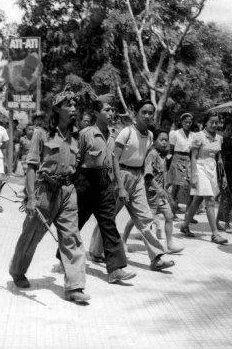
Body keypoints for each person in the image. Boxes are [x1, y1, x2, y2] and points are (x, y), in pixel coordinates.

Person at [9, 97, 90, 303]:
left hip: (67, 191)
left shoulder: (76, 136)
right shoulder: (41, 133)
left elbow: (79, 165)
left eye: (74, 105)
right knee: (31, 235)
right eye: (68, 105)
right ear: (56, 109)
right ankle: (17, 271)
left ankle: (75, 286)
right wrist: (30, 198)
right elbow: (32, 166)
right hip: (44, 190)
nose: (73, 108)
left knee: (72, 237)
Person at [88, 100, 175, 271]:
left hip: (138, 178)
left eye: (150, 113)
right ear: (136, 113)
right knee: (108, 216)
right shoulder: (126, 132)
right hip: (121, 175)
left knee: (145, 217)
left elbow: (145, 158)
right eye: (144, 112)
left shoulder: (150, 135)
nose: (147, 116)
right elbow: (114, 157)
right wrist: (120, 186)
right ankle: (96, 251)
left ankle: (156, 257)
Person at [73, 100, 136, 283]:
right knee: (76, 223)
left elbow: (114, 160)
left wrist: (120, 186)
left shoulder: (113, 135)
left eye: (112, 110)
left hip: (105, 183)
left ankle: (115, 270)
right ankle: (64, 257)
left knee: (109, 225)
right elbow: (76, 161)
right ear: (97, 112)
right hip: (85, 182)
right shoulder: (85, 134)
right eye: (106, 109)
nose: (111, 113)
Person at [122, 129, 184, 253]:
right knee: (138, 219)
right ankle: (123, 240)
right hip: (150, 194)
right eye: (161, 140)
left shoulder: (163, 156)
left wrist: (165, 190)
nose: (164, 142)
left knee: (169, 216)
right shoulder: (152, 155)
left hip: (160, 194)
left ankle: (170, 243)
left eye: (166, 140)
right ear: (154, 141)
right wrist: (159, 189)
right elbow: (148, 176)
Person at [179, 112, 228, 245]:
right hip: (200, 167)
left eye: (216, 122)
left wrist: (222, 176)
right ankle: (215, 234)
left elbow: (219, 157)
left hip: (212, 169)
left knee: (198, 199)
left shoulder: (219, 138)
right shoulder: (198, 136)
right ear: (205, 122)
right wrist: (194, 175)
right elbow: (193, 156)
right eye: (211, 122)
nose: (214, 124)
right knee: (210, 200)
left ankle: (184, 225)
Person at [216, 116, 232, 233]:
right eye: (228, 130)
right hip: (222, 173)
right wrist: (223, 176)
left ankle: (217, 221)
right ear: (223, 130)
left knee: (225, 198)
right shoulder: (220, 141)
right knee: (227, 198)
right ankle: (226, 223)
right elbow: (220, 159)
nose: (230, 132)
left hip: (231, 173)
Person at [167, 113, 194, 215]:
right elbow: (171, 149)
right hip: (177, 158)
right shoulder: (175, 133)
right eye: (185, 122)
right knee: (176, 186)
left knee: (188, 187)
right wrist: (168, 161)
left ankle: (188, 214)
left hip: (187, 159)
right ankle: (172, 211)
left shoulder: (193, 135)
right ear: (182, 122)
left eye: (189, 122)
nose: (188, 124)